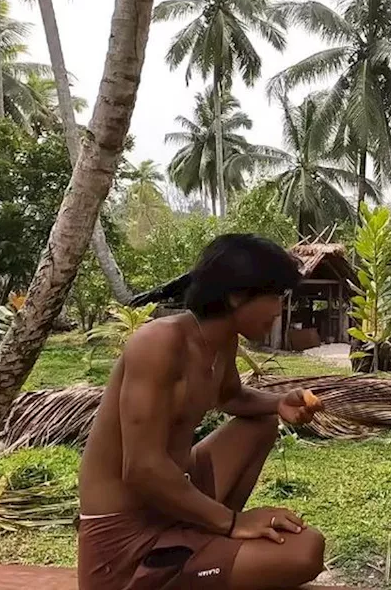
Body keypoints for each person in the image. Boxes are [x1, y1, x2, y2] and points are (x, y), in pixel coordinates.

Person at [77, 233, 327, 590]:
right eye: (274, 297)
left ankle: (203, 543)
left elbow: (231, 398)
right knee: (304, 552)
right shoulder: (159, 343)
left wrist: (278, 402)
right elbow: (142, 469)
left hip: (175, 499)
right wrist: (232, 521)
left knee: (260, 426)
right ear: (236, 295)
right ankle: (199, 548)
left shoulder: (221, 341)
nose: (279, 310)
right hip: (126, 535)